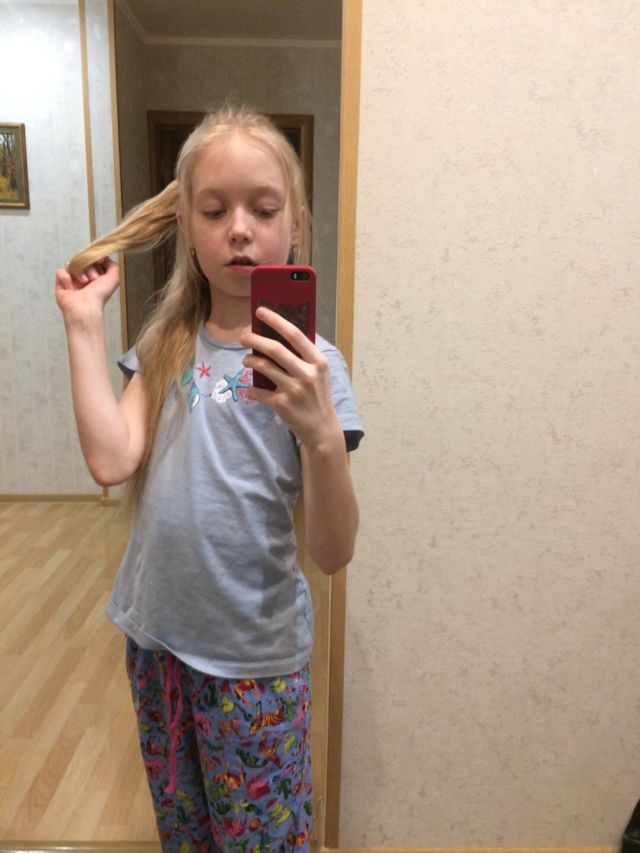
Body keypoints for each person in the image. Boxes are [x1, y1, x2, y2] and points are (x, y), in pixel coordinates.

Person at [55, 105, 363, 852]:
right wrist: (83, 324)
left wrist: (321, 433)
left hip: (256, 664)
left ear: (295, 223)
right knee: (184, 832)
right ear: (187, 227)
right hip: (156, 643)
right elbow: (111, 460)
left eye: (263, 209)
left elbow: (332, 551)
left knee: (263, 840)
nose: (239, 230)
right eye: (215, 210)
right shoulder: (166, 342)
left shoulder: (315, 366)